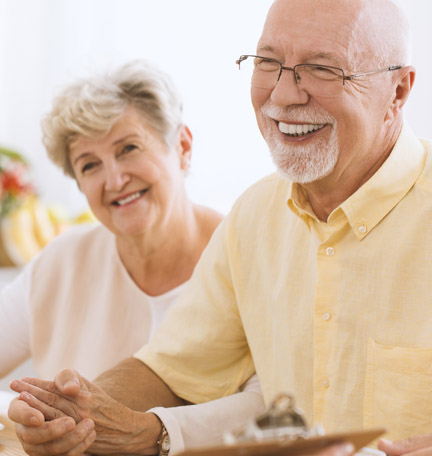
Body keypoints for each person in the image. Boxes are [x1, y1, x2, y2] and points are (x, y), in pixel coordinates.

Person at [8, 0, 432, 454]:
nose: (284, 95)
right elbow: (169, 368)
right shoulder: (253, 216)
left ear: (398, 91)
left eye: (323, 69)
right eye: (268, 63)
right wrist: (74, 413)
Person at [2, 61, 265, 453]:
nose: (114, 179)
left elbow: (274, 406)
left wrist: (157, 431)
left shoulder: (251, 256)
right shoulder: (61, 262)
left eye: (128, 148)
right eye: (90, 165)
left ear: (183, 148)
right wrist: (31, 415)